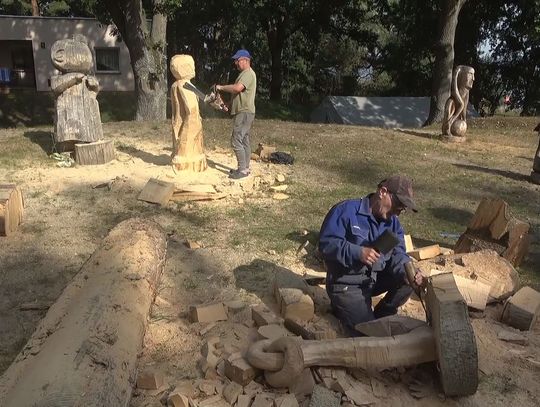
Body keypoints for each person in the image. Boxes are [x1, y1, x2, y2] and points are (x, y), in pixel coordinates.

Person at [318, 175, 424, 336]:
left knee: (407, 280)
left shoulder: (392, 224)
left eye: (402, 209)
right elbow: (326, 244)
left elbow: (397, 254)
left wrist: (407, 272)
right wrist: (357, 252)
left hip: (372, 280)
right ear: (383, 192)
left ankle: (382, 316)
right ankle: (348, 310)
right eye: (397, 205)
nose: (398, 212)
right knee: (367, 335)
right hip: (346, 284)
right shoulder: (347, 211)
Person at [216, 49, 257, 180]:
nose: (235, 63)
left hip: (244, 112)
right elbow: (238, 93)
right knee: (244, 140)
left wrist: (220, 88)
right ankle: (245, 168)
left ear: (245, 60)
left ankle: (242, 169)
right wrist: (228, 103)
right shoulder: (244, 74)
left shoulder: (248, 74)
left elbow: (237, 88)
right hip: (244, 111)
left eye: (237, 60)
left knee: (236, 140)